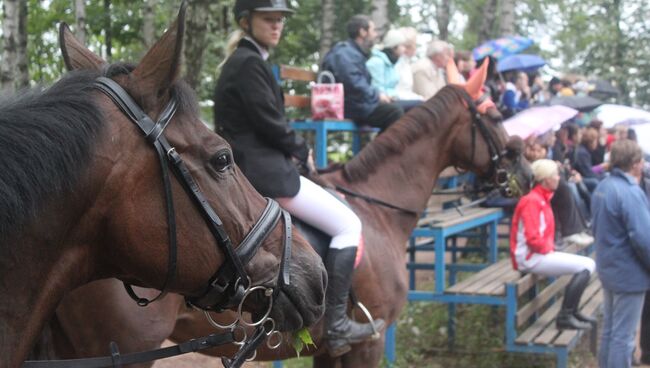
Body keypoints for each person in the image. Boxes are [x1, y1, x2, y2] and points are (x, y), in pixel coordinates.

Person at [214, 0, 384, 357]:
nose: (277, 25)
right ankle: (336, 324)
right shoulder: (248, 65)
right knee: (348, 224)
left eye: (280, 20)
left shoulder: (247, 62)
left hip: (255, 166)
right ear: (246, 21)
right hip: (265, 173)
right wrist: (300, 150)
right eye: (268, 19)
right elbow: (269, 124)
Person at [510, 159, 596, 330]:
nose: (559, 178)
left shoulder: (541, 197)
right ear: (546, 179)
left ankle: (571, 312)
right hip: (529, 257)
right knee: (587, 265)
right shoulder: (532, 200)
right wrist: (549, 249)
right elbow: (533, 239)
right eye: (556, 175)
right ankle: (566, 315)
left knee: (588, 264)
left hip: (536, 254)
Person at [592, 140, 650, 368]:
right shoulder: (631, 192)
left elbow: (594, 227)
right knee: (623, 338)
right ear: (635, 164)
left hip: (609, 267)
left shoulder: (602, 186)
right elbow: (644, 240)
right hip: (629, 274)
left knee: (610, 331)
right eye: (642, 160)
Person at [322, 15, 403, 131]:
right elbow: (353, 83)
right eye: (373, 30)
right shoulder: (344, 53)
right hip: (348, 107)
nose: (375, 35)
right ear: (362, 32)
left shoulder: (352, 52)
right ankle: (379, 149)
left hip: (356, 105)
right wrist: (377, 95)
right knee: (394, 112)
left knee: (399, 110)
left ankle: (379, 148)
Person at [366, 29, 421, 111]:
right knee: (419, 105)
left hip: (392, 98)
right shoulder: (377, 62)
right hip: (379, 102)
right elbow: (377, 87)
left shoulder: (391, 62)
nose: (404, 49)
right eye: (402, 46)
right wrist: (392, 96)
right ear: (394, 47)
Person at [394, 27, 424, 101]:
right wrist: (420, 99)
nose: (416, 48)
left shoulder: (406, 63)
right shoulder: (398, 64)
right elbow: (398, 92)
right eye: (415, 44)